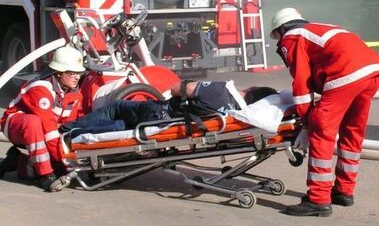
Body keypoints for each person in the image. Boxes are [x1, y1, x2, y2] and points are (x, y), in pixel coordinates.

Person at [270, 7, 379, 217]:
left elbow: (302, 85)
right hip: (372, 71)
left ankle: (318, 200)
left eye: (276, 35)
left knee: (320, 127)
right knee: (352, 132)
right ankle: (344, 191)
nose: (278, 41)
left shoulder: (292, 37)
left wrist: (306, 123)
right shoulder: (319, 28)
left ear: (282, 28)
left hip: (346, 72)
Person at [0, 46, 87, 192]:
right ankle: (45, 175)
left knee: (61, 168)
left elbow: (69, 125)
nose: (77, 77)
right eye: (72, 73)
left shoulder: (73, 91)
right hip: (16, 124)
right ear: (59, 73)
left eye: (79, 73)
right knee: (34, 124)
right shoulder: (41, 89)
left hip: (46, 129)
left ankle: (19, 160)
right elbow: (49, 131)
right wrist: (64, 159)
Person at [60, 81, 278, 137]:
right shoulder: (239, 114)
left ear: (252, 89)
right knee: (122, 125)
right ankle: (79, 134)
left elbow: (178, 89)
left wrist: (179, 89)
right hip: (173, 125)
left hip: (160, 114)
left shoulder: (222, 91)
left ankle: (68, 129)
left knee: (115, 107)